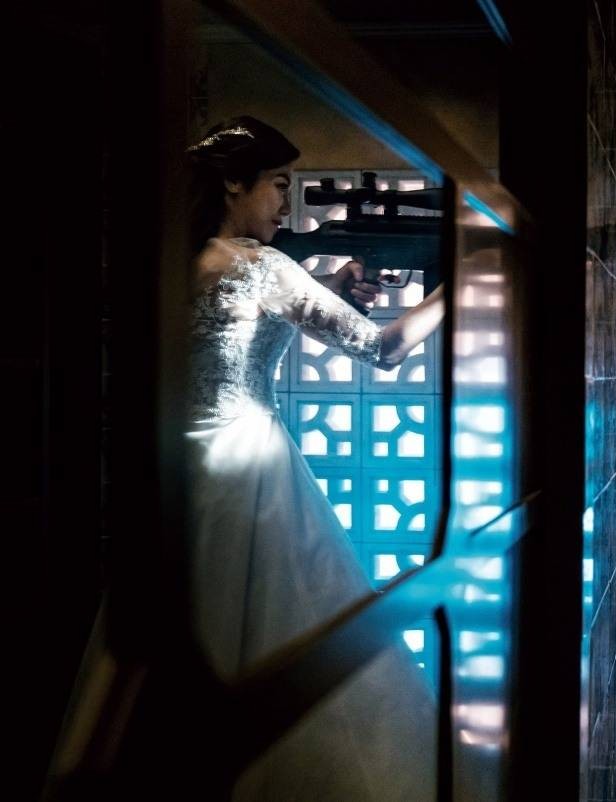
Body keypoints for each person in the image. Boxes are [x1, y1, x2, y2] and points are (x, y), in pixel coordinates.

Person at [52, 117, 444, 801]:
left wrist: (330, 285)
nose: (286, 204)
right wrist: (461, 282)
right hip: (254, 473)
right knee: (289, 655)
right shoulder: (262, 267)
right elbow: (384, 349)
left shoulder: (170, 262)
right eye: (278, 185)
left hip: (179, 475)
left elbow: (234, 331)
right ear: (235, 184)